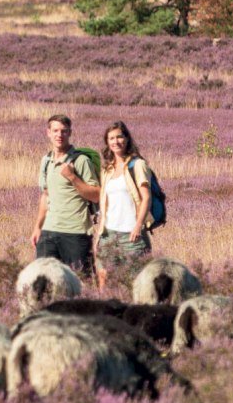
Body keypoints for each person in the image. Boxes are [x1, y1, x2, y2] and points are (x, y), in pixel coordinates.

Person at [28, 113, 99, 272]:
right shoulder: (46, 161)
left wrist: (72, 177)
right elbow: (46, 195)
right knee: (44, 282)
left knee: (80, 283)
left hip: (76, 232)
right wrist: (38, 227)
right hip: (49, 232)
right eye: (55, 131)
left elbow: (96, 195)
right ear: (48, 132)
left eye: (64, 131)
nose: (59, 135)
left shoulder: (81, 161)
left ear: (70, 133)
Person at [92, 120, 153, 290]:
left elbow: (146, 197)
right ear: (107, 142)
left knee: (135, 283)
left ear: (127, 139)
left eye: (119, 137)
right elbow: (105, 204)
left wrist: (138, 226)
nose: (116, 141)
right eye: (111, 138)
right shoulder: (107, 169)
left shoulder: (137, 165)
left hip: (131, 236)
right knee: (104, 281)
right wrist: (99, 234)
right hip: (108, 235)